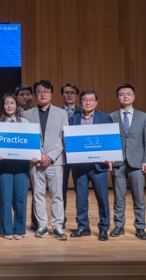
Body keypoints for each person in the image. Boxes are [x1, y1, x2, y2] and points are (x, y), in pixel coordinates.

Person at [22, 80, 69, 241]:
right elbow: (27, 138)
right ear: (35, 94)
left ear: (51, 94)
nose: (42, 94)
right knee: (38, 195)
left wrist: (50, 157)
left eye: (46, 91)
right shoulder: (27, 114)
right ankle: (42, 226)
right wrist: (39, 155)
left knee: (57, 195)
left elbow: (63, 138)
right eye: (39, 92)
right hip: (36, 160)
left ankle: (57, 226)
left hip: (55, 161)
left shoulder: (62, 113)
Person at [68, 90, 113, 241]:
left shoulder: (105, 117)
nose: (88, 103)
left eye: (91, 100)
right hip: (80, 166)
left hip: (98, 166)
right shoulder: (73, 119)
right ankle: (83, 227)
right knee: (81, 198)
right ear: (81, 102)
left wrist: (110, 158)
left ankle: (103, 228)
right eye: (85, 100)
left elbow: (110, 140)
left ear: (96, 102)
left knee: (102, 198)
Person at [109, 84, 146, 240]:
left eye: (128, 94)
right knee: (119, 198)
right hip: (118, 163)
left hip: (137, 163)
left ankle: (140, 227)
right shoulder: (111, 116)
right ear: (117, 97)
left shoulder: (144, 117)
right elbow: (109, 140)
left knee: (138, 198)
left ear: (134, 96)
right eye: (122, 94)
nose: (125, 97)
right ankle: (119, 226)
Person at [0, 93, 33, 240]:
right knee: (5, 198)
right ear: (2, 106)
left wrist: (33, 154)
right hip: (4, 166)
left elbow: (32, 144)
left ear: (17, 105)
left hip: (22, 166)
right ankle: (6, 229)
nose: (9, 106)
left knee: (21, 198)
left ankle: (20, 229)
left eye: (12, 103)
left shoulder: (26, 123)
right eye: (6, 103)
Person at [15, 84, 38, 230]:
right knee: (17, 194)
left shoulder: (36, 113)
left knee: (37, 192)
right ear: (16, 97)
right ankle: (15, 222)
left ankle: (36, 222)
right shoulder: (10, 111)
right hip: (15, 159)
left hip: (34, 159)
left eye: (27, 94)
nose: (24, 97)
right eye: (21, 94)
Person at [60, 82, 82, 228]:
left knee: (80, 189)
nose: (69, 95)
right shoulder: (56, 112)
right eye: (66, 92)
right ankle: (61, 219)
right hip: (61, 155)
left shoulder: (83, 111)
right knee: (61, 190)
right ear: (62, 95)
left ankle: (81, 221)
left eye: (72, 92)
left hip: (78, 156)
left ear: (76, 96)